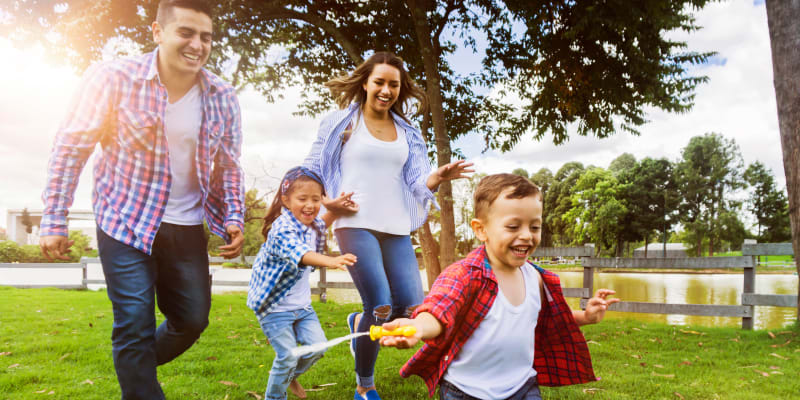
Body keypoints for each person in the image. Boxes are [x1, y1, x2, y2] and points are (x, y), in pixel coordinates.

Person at [38, 1, 244, 398]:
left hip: (185, 226)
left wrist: (232, 216)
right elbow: (70, 149)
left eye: (206, 36)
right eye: (186, 32)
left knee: (192, 320)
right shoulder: (112, 78)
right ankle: (137, 373)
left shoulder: (222, 94)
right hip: (125, 220)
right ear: (157, 32)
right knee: (133, 321)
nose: (197, 45)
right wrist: (54, 219)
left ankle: (132, 360)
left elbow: (229, 166)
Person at [303, 51, 474, 400]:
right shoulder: (341, 123)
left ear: (401, 89)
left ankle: (359, 324)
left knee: (411, 306)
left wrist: (437, 177)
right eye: (379, 82)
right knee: (379, 305)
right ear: (365, 82)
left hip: (396, 224)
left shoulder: (409, 132)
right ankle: (364, 385)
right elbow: (312, 168)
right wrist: (324, 204)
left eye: (393, 84)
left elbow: (415, 183)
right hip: (354, 222)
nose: (386, 90)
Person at [379, 173, 620, 400]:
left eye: (534, 227)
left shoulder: (536, 278)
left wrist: (586, 317)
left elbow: (549, 317)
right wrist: (418, 326)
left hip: (523, 385)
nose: (527, 235)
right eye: (513, 227)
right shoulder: (465, 274)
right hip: (466, 391)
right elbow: (440, 310)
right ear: (481, 229)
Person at [248, 166, 358, 400]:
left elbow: (321, 223)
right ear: (286, 201)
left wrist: (335, 210)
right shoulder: (282, 228)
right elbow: (300, 253)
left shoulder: (310, 223)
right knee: (287, 357)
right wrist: (331, 260)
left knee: (318, 348)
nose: (310, 205)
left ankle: (286, 375)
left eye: (315, 199)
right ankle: (275, 395)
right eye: (302, 199)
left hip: (302, 307)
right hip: (274, 307)